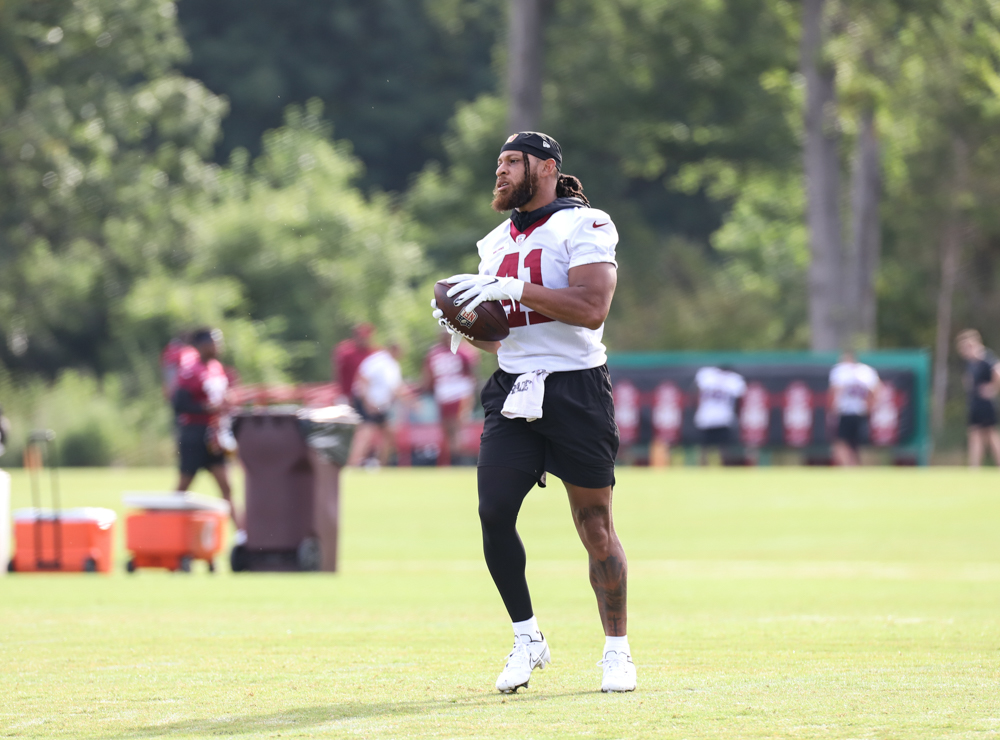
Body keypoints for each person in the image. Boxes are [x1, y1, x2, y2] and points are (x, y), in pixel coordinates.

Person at [431, 131, 635, 693]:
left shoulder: (586, 224)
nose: (499, 172)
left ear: (544, 168)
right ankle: (527, 638)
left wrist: (514, 286)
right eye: (497, 162)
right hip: (516, 389)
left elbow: (592, 309)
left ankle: (616, 650)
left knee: (594, 526)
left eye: (511, 162)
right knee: (494, 513)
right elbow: (503, 340)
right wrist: (464, 324)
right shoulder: (493, 240)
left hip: (577, 391)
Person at [173, 328, 239, 526]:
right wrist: (207, 407)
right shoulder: (190, 372)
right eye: (214, 342)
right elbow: (179, 404)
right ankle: (164, 527)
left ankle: (244, 536)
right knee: (184, 484)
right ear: (202, 345)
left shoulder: (217, 368)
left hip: (215, 434)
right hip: (195, 432)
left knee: (227, 486)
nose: (218, 346)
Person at [423, 331, 479, 465]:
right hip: (450, 393)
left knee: (455, 429)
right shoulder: (462, 351)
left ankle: (456, 460)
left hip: (454, 393)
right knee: (451, 430)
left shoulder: (437, 353)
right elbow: (472, 375)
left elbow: (427, 378)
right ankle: (454, 460)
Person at [347, 343, 404, 467]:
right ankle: (352, 465)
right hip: (368, 402)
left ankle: (381, 465)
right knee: (365, 434)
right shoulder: (378, 361)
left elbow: (395, 388)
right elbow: (363, 379)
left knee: (389, 433)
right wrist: (367, 402)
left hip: (380, 406)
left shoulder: (393, 365)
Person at [956, 329, 1000, 467]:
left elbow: (997, 371)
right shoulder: (971, 362)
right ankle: (974, 467)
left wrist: (993, 389)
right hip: (975, 402)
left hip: (985, 403)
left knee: (990, 434)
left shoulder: (985, 358)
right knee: (974, 434)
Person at [828, 351, 880, 466]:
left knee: (842, 441)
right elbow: (876, 389)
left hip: (846, 411)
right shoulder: (866, 371)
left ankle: (848, 465)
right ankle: (855, 465)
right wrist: (870, 406)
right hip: (861, 411)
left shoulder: (841, 371)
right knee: (856, 443)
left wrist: (831, 410)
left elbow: (834, 391)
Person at [693, 365, 746, 465]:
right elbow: (740, 399)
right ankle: (724, 470)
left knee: (704, 448)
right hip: (723, 418)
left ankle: (702, 471)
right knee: (723, 447)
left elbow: (695, 390)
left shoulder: (706, 374)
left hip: (706, 417)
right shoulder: (733, 379)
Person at [332, 324, 375, 406]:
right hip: (350, 396)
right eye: (361, 337)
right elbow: (339, 376)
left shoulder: (374, 354)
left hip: (369, 398)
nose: (363, 340)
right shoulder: (347, 354)